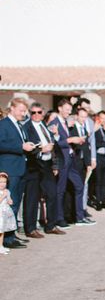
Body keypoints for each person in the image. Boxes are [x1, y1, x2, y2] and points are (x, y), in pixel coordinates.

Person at [50, 99, 93, 227]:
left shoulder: (66, 123)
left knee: (79, 185)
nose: (69, 112)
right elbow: (54, 143)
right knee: (61, 190)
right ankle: (59, 218)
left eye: (70, 110)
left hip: (70, 159)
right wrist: (70, 140)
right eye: (67, 110)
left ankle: (80, 217)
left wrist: (76, 140)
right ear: (59, 108)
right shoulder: (54, 123)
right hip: (61, 160)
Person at [0, 97, 36, 248]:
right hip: (10, 169)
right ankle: (7, 239)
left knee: (15, 204)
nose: (23, 113)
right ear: (12, 108)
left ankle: (11, 235)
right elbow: (1, 144)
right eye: (21, 110)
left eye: (24, 111)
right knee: (9, 204)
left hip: (20, 168)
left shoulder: (18, 125)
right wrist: (21, 146)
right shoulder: (3, 124)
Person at [22, 102, 61, 237]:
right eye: (33, 113)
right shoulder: (26, 127)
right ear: (30, 113)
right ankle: (30, 228)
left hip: (47, 165)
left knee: (52, 194)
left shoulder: (45, 125)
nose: (37, 115)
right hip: (33, 165)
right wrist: (41, 150)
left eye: (39, 112)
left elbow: (51, 144)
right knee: (32, 198)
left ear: (43, 113)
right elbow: (26, 147)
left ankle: (51, 225)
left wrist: (55, 136)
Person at [93, 111, 105, 211]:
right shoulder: (95, 129)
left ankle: (103, 200)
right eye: (102, 118)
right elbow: (95, 142)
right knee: (98, 180)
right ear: (97, 118)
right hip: (98, 155)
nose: (103, 120)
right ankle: (98, 202)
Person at [0, 173, 17, 254]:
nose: (2, 184)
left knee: (2, 231)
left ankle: (1, 246)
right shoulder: (2, 192)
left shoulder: (7, 191)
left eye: (4, 182)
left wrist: (10, 201)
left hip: (5, 213)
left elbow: (9, 199)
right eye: (0, 182)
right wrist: (3, 196)